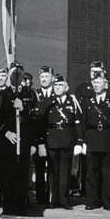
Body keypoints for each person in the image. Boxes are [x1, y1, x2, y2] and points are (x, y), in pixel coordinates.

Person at [0, 63, 35, 216]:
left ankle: (20, 207)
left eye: (19, 74)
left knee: (22, 175)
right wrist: (7, 133)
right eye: (13, 74)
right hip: (8, 142)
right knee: (7, 174)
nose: (16, 76)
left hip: (23, 141)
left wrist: (23, 108)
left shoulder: (29, 94)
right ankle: (9, 207)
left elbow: (35, 118)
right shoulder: (3, 95)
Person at [79, 72, 110, 210]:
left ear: (105, 84)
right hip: (92, 138)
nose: (96, 86)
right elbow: (82, 122)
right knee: (91, 173)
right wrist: (82, 141)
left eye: (98, 83)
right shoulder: (87, 100)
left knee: (107, 172)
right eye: (94, 83)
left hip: (107, 138)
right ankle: (92, 201)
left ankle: (107, 201)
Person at [44, 74, 83, 210]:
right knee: (53, 171)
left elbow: (78, 122)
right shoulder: (48, 101)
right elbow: (41, 121)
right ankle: (54, 199)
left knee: (65, 171)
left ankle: (64, 199)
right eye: (55, 85)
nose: (57, 88)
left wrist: (79, 141)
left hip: (67, 139)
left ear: (66, 87)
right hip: (52, 139)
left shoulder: (73, 102)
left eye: (60, 85)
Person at [28, 65, 54, 205]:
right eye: (42, 77)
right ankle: (40, 197)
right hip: (39, 138)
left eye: (47, 77)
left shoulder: (56, 94)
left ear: (52, 78)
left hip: (54, 138)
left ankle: (52, 196)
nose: (44, 79)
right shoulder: (35, 95)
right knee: (39, 169)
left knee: (53, 170)